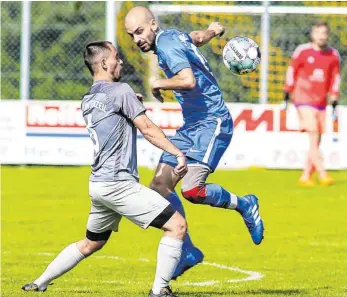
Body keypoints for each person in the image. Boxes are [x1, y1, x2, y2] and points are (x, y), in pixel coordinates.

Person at [22, 41, 189, 297]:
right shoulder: (121, 91)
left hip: (98, 185)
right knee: (176, 226)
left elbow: (112, 113)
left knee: (92, 242)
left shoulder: (89, 98)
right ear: (103, 63)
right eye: (117, 58)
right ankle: (160, 291)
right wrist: (176, 152)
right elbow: (147, 128)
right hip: (118, 184)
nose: (121, 62)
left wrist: (131, 101)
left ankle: (39, 282)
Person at [124, 6, 265, 279]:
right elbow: (196, 38)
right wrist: (214, 30)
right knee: (159, 187)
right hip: (192, 125)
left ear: (153, 24)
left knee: (192, 190)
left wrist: (157, 83)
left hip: (212, 122)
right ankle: (187, 251)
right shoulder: (173, 36)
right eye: (131, 35)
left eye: (139, 31)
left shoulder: (166, 46)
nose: (136, 39)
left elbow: (187, 81)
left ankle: (245, 204)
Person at [284, 21, 340, 186]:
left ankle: (306, 176)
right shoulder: (303, 51)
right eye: (319, 32)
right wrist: (287, 90)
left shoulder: (333, 55)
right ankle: (323, 174)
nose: (322, 36)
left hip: (321, 101)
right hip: (303, 98)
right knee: (313, 132)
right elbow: (291, 70)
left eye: (324, 33)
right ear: (313, 34)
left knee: (316, 140)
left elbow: (335, 77)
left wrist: (334, 94)